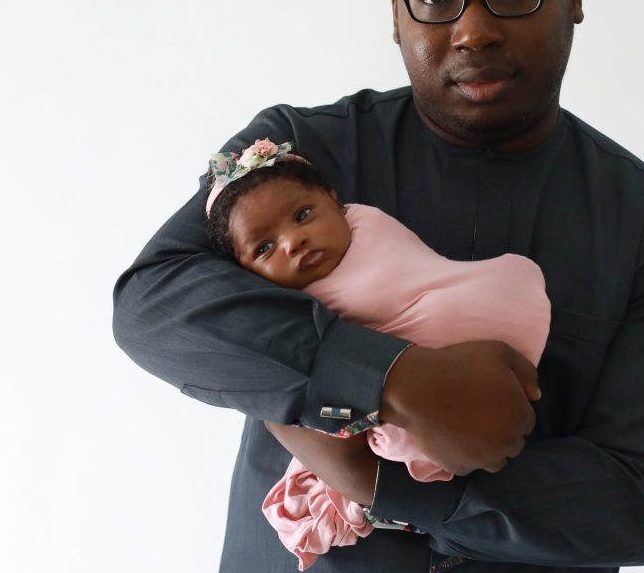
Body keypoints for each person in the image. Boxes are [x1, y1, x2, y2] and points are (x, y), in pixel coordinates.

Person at [113, 0, 644, 573]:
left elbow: (638, 503)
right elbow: (155, 304)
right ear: (397, 13)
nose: (474, 30)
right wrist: (390, 377)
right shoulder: (294, 156)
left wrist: (379, 481)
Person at [202, 138, 550, 569]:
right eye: (264, 248)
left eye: (303, 215)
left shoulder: (368, 223)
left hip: (457, 306)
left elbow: (402, 276)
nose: (293, 241)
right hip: (426, 405)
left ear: (335, 200)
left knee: (505, 284)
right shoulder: (280, 307)